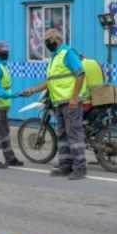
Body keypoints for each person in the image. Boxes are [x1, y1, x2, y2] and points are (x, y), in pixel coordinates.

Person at [23, 29, 88, 180]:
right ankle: (65, 165)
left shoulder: (67, 53)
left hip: (70, 102)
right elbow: (51, 81)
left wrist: (74, 98)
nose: (46, 43)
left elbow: (81, 74)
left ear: (57, 39)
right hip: (58, 103)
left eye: (48, 40)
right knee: (63, 135)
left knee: (74, 134)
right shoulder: (55, 57)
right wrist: (32, 90)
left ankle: (80, 167)